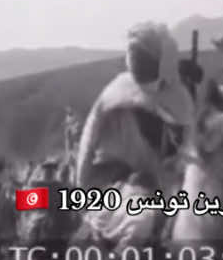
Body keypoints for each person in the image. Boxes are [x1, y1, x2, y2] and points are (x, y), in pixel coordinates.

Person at [76, 22, 196, 204]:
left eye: (143, 58)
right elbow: (89, 141)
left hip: (160, 187)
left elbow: (186, 148)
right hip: (113, 182)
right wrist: (83, 185)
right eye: (136, 57)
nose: (137, 62)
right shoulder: (116, 90)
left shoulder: (177, 98)